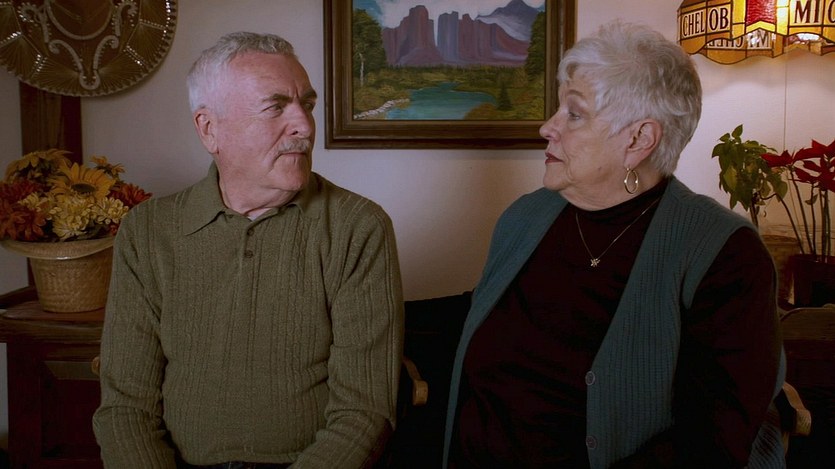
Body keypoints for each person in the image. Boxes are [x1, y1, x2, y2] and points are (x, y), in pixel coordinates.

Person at [442, 21, 785, 469]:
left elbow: (710, 442)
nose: (547, 127)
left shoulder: (725, 254)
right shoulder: (526, 216)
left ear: (638, 140)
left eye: (574, 114)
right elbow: (482, 309)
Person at [93, 32, 404, 468]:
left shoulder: (358, 227)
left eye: (307, 105)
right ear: (209, 129)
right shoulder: (148, 231)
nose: (304, 126)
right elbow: (126, 407)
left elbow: (364, 412)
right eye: (275, 107)